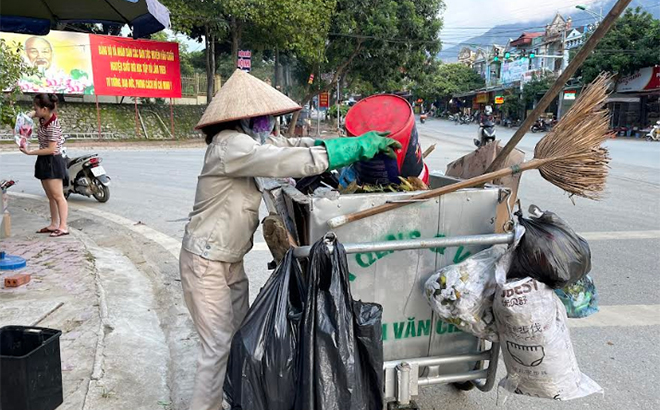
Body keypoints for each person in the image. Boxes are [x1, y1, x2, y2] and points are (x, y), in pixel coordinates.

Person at [180, 69, 400, 410]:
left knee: (240, 339)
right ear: (244, 117)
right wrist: (355, 147)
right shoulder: (230, 145)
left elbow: (291, 145)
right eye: (263, 116)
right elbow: (286, 160)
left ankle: (235, 399)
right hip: (205, 261)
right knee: (218, 347)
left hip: (228, 259)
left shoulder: (250, 143)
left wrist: (347, 146)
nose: (269, 122)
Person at [20, 93, 68, 237]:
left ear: (45, 109)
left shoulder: (53, 124)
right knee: (50, 196)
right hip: (43, 159)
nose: (34, 110)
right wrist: (28, 117)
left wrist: (30, 152)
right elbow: (32, 114)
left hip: (52, 160)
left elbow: (52, 149)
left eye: (36, 107)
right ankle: (54, 224)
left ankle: (63, 226)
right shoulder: (43, 118)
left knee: (58, 195)